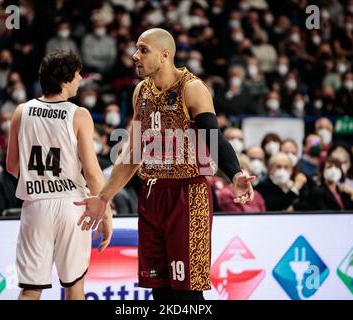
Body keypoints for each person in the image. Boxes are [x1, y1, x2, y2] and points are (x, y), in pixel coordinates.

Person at [74, 28, 254, 300]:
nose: (135, 55)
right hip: (152, 194)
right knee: (158, 291)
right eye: (136, 49)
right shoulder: (140, 92)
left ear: (165, 55)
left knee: (186, 293)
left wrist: (235, 173)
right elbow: (132, 155)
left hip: (187, 194)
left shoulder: (192, 88)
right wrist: (103, 198)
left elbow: (213, 138)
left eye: (143, 49)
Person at [6, 50, 112, 300]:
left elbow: (12, 166)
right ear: (65, 80)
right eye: (77, 75)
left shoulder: (21, 111)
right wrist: (106, 214)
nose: (79, 80)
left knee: (31, 289)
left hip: (35, 205)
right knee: (74, 286)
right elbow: (93, 173)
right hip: (71, 205)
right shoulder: (78, 114)